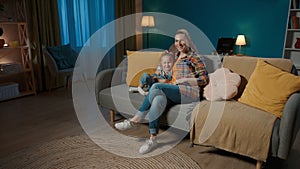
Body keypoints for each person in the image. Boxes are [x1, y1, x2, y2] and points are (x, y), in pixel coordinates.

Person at [115, 29, 209, 154]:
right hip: (175, 91)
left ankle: (135, 119)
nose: (179, 43)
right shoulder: (176, 56)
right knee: (158, 99)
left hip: (189, 92)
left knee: (156, 87)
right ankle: (152, 139)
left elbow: (204, 79)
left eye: (182, 40)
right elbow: (171, 76)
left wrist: (185, 79)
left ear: (188, 41)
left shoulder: (195, 57)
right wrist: (158, 74)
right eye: (176, 41)